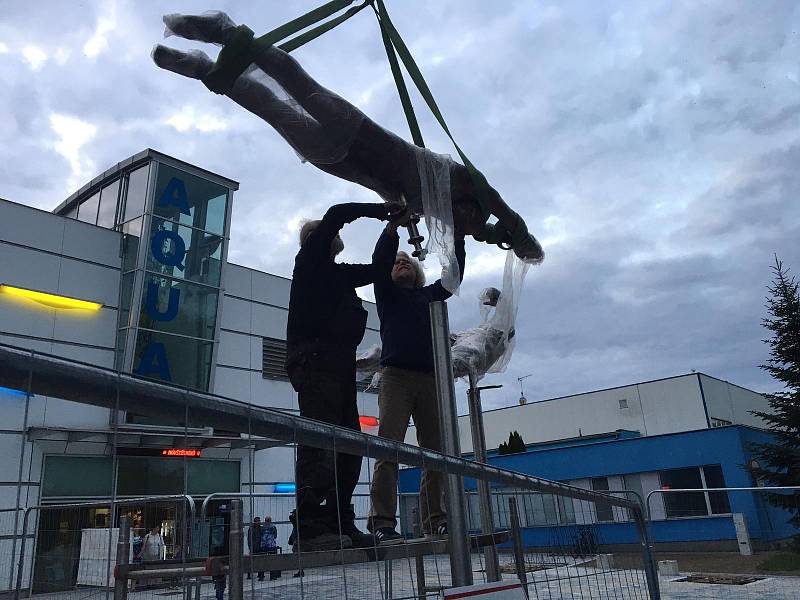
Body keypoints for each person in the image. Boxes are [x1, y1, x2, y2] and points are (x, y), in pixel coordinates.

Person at [151, 11, 544, 264]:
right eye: (473, 219)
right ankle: (223, 31)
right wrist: (520, 236)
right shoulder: (451, 177)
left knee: (273, 110)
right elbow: (498, 203)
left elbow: (397, 200)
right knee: (300, 83)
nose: (465, 223)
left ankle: (202, 70)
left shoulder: (433, 208)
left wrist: (400, 213)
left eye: (467, 229)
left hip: (336, 160)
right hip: (356, 131)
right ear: (477, 206)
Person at [285, 200, 404, 551]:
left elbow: (378, 270)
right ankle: (308, 525)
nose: (332, 234)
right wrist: (381, 209)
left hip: (339, 370)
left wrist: (392, 229)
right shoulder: (308, 264)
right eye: (324, 233)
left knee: (349, 448)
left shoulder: (338, 275)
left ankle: (339, 520)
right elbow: (337, 213)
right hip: (315, 364)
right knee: (320, 444)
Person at [366, 217, 466, 543]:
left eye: (405, 261)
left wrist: (458, 237)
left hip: (429, 378)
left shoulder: (428, 296)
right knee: (388, 447)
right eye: (396, 262)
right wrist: (392, 230)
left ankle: (435, 520)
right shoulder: (387, 294)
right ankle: (382, 523)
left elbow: (452, 279)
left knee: (436, 451)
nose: (399, 263)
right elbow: (380, 261)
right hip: (395, 377)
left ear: (416, 270)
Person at [260, 516, 281, 581]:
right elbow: (275, 536)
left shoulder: (262, 528)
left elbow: (260, 535)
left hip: (263, 546)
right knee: (272, 561)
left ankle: (261, 576)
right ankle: (272, 576)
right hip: (271, 546)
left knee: (262, 561)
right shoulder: (273, 527)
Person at [247, 516, 264, 581]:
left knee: (260, 561)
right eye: (257, 521)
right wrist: (250, 547)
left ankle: (261, 575)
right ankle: (249, 574)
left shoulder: (261, 528)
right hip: (254, 547)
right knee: (251, 561)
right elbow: (249, 539)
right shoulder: (251, 529)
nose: (259, 522)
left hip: (260, 547)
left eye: (259, 521)